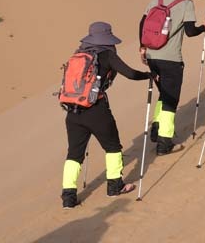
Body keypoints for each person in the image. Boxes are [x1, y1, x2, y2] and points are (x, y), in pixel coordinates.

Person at [61, 22, 151, 209]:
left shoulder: (78, 54)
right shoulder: (108, 55)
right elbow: (130, 74)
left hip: (72, 112)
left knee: (74, 154)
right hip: (96, 110)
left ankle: (68, 197)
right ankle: (115, 186)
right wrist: (148, 75)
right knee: (112, 147)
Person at [139, 0, 205, 155]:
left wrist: (142, 47)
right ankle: (165, 143)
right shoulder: (186, 4)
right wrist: (204, 27)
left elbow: (143, 22)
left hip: (152, 56)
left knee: (164, 94)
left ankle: (156, 129)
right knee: (170, 100)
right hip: (171, 59)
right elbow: (190, 31)